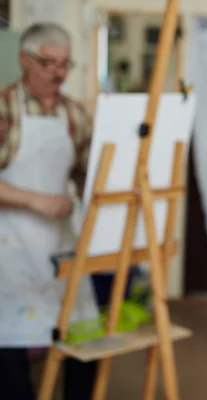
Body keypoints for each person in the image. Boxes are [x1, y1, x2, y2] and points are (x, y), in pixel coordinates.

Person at [0, 23, 98, 400]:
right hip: (9, 246)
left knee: (83, 337)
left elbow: (87, 174)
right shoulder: (4, 107)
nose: (58, 71)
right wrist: (35, 200)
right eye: (47, 63)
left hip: (60, 239)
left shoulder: (75, 114)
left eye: (64, 63)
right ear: (25, 61)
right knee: (9, 344)